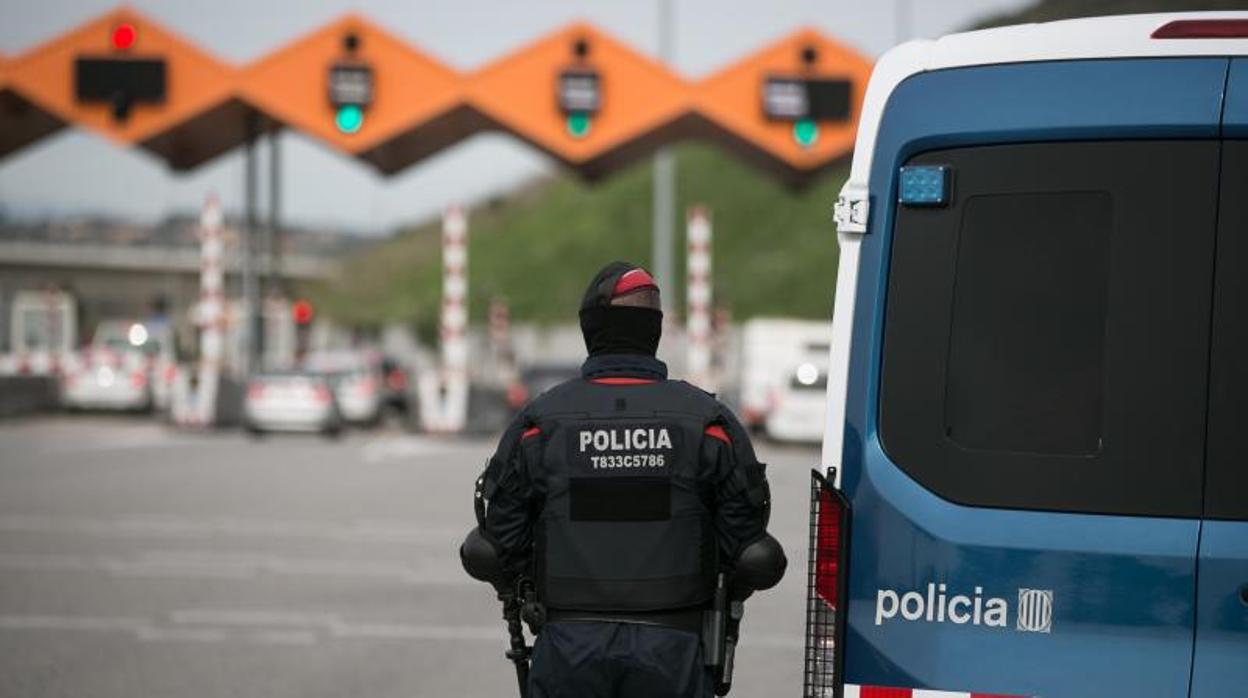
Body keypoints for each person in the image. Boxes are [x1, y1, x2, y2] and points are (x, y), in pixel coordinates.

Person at [463, 261, 785, 698]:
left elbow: (499, 542)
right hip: (676, 647)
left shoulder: (540, 423)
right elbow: (748, 546)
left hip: (568, 648)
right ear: (653, 328)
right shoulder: (708, 423)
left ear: (590, 327)